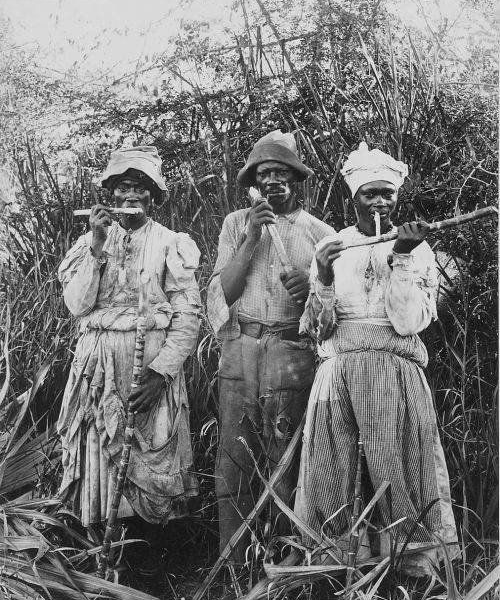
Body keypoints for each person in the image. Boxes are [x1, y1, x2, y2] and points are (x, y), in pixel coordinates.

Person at [294, 142, 458, 576]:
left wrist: (402, 257)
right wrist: (324, 276)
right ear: (354, 198)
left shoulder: (419, 249)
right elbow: (317, 329)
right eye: (370, 194)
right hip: (339, 374)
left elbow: (409, 323)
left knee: (399, 463)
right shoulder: (333, 246)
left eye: (388, 193)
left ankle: (411, 570)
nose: (380, 202)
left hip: (395, 371)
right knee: (335, 465)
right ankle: (336, 570)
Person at [57, 146, 201, 571]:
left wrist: (162, 372)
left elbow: (189, 312)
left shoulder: (171, 243)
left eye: (141, 188)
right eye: (123, 187)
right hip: (99, 364)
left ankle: (155, 559)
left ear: (154, 197)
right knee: (101, 450)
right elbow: (77, 306)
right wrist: (99, 246)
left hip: (151, 364)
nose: (131, 195)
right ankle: (106, 554)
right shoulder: (89, 243)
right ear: (109, 194)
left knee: (153, 449)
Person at [207, 130, 335, 565]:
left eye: (282, 174)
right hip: (240, 346)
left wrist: (310, 291)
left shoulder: (321, 234)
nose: (273, 182)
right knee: (235, 456)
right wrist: (251, 237)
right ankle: (234, 561)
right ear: (253, 183)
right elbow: (223, 293)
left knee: (287, 453)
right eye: (265, 175)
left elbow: (328, 320)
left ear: (295, 181)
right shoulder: (234, 223)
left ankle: (286, 564)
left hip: (290, 351)